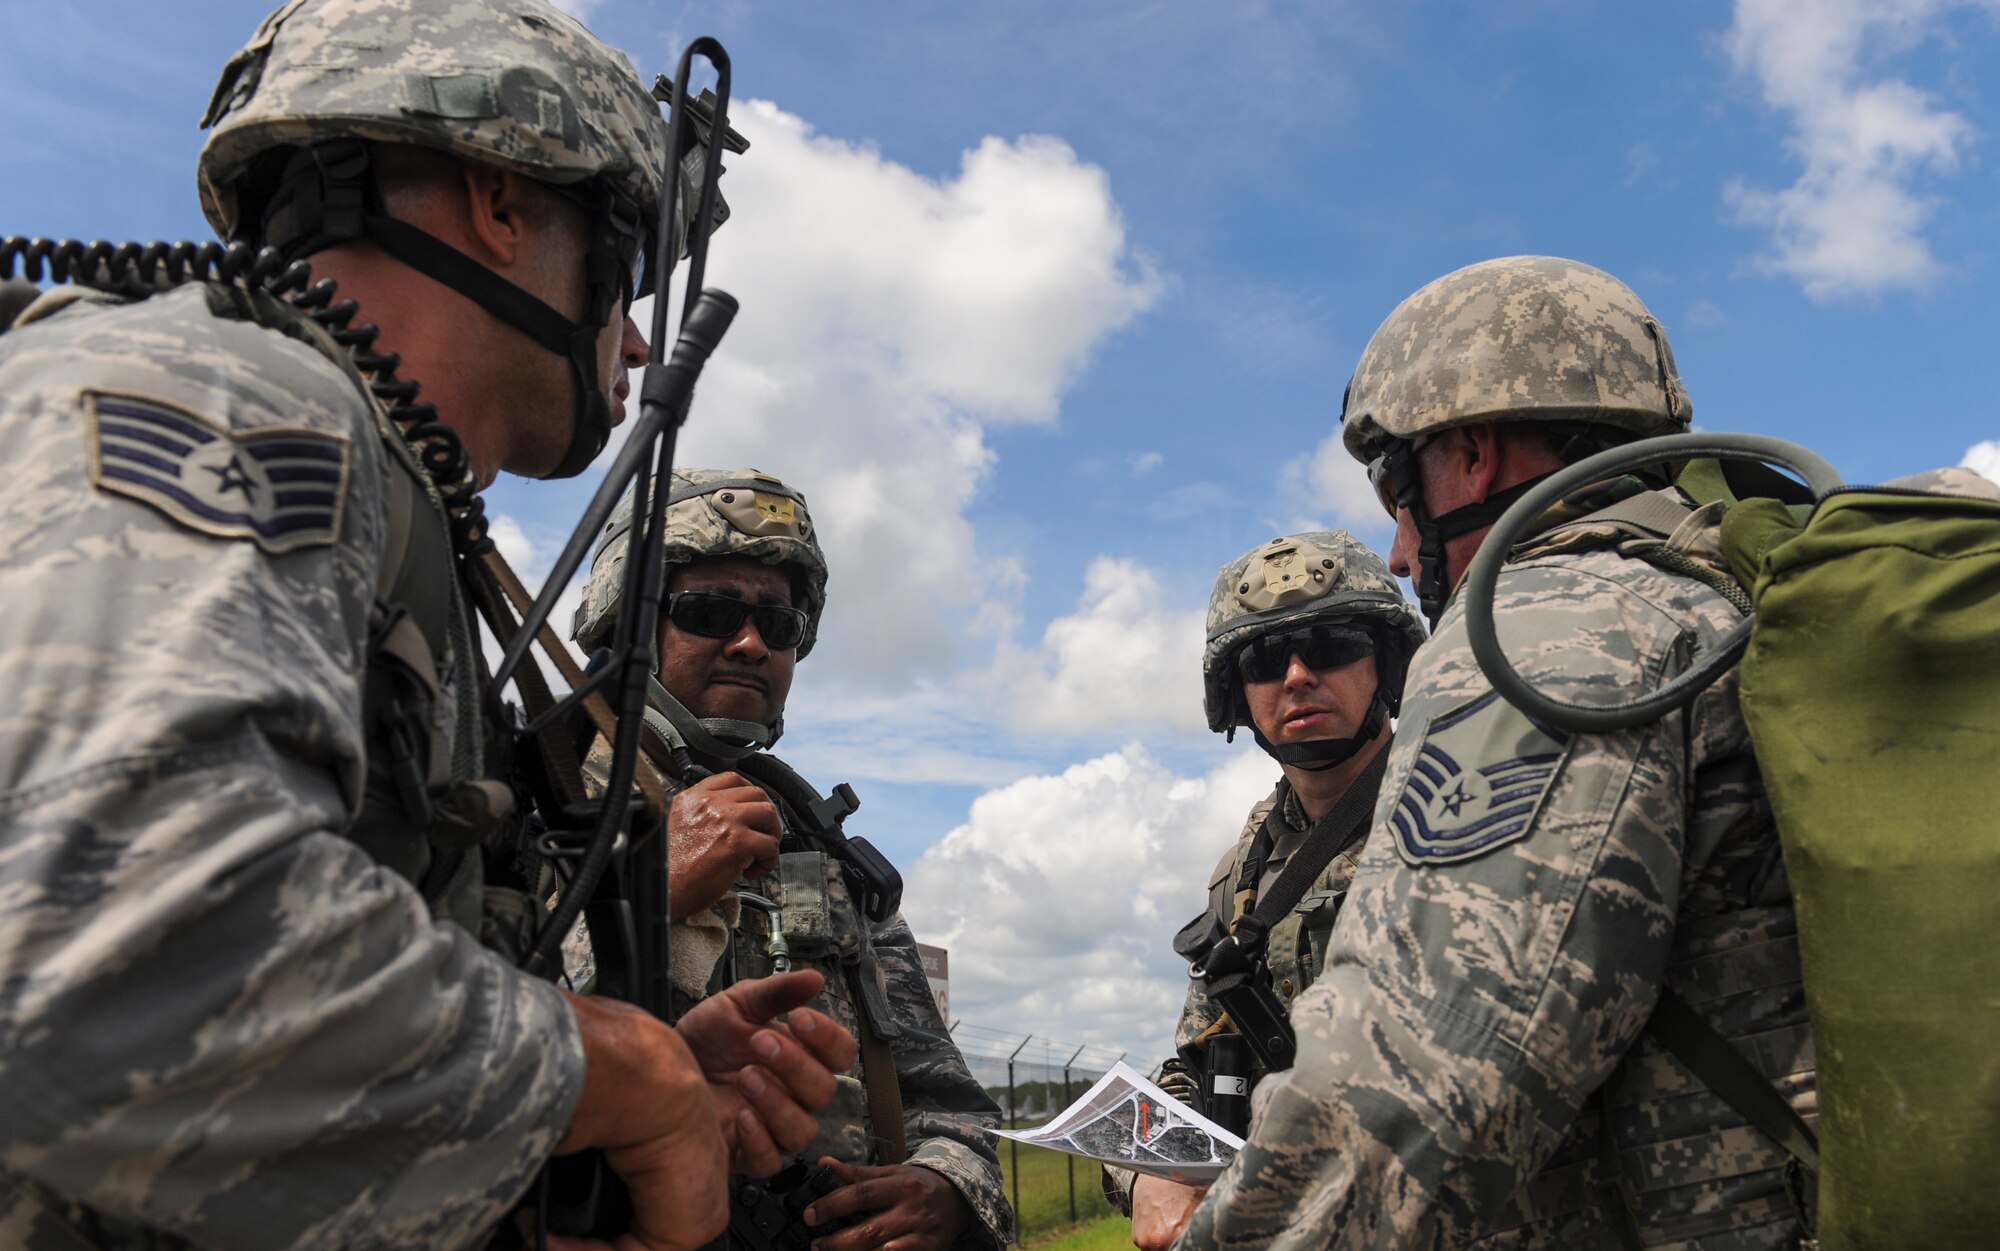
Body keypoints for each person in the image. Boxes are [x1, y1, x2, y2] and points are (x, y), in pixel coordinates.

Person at [0, 4, 854, 1250]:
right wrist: (625, 1083)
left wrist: (569, 1096)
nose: (627, 336)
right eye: (621, 275)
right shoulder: (241, 405)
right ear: (499, 202)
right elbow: (107, 967)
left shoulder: (384, 499)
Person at [1178, 255, 1818, 1250]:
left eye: (1400, 495)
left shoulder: (1545, 628)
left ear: (1470, 454)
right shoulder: (1712, 591)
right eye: (1264, 660)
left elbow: (1420, 1080)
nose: (1398, 550)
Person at [569, 468, 1015, 1251]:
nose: (751, 644)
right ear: (625, 625)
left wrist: (943, 1188)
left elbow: (952, 1109)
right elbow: (423, 1046)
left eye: (779, 624)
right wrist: (645, 892)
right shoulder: (534, 801)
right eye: (709, 612)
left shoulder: (814, 847)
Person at [1103, 531, 1422, 1250]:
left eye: (1335, 643)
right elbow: (1192, 1060)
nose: (1299, 674)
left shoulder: (1454, 808)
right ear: (1236, 693)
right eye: (1265, 659)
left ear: (1388, 662)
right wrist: (1146, 1173)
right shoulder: (1245, 869)